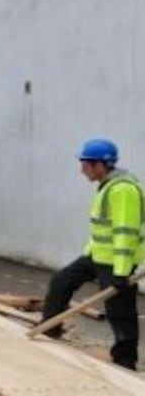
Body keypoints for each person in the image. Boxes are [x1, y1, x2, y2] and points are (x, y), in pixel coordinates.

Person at [41, 138, 142, 370]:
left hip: (116, 262)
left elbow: (125, 233)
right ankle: (49, 331)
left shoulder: (123, 190)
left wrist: (122, 272)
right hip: (97, 256)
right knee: (61, 281)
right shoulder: (107, 186)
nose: (82, 170)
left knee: (120, 310)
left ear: (100, 165)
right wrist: (88, 254)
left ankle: (125, 361)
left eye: (85, 165)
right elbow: (102, 229)